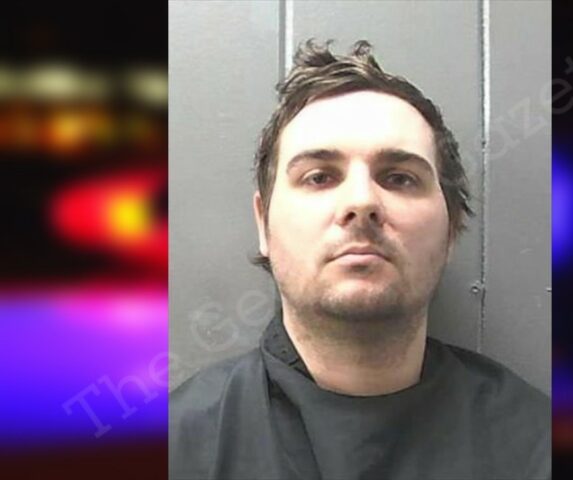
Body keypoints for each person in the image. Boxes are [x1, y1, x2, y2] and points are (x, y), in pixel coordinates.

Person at [170, 39, 550, 480]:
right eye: (319, 177)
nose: (361, 201)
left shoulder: (536, 447)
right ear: (263, 224)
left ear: (452, 230)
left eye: (399, 178)